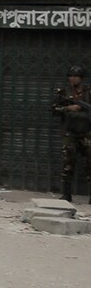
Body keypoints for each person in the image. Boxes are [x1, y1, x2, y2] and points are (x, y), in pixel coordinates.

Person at [51, 66, 90, 203]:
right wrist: (68, 108)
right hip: (70, 132)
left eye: (75, 76)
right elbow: (54, 109)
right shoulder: (63, 93)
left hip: (87, 132)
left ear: (81, 78)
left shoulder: (88, 92)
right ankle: (66, 194)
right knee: (68, 163)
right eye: (70, 76)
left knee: (89, 163)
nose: (72, 78)